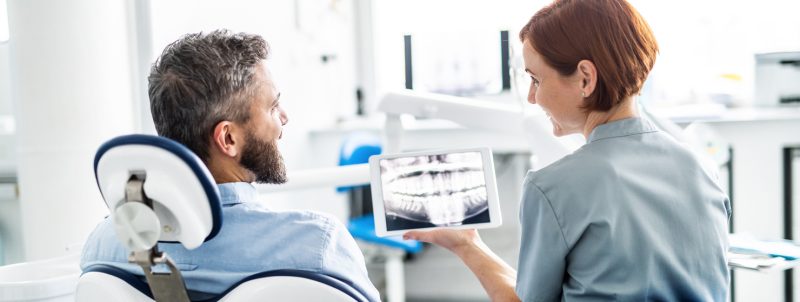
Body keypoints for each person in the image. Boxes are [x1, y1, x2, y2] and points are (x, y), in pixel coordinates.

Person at [404, 0, 731, 301]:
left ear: (586, 78)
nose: (532, 97)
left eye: (536, 79)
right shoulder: (701, 168)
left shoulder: (552, 187)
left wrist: (466, 245)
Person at [81, 30, 380, 301]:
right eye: (273, 107)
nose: (284, 117)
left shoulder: (104, 246)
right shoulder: (318, 245)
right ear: (228, 138)